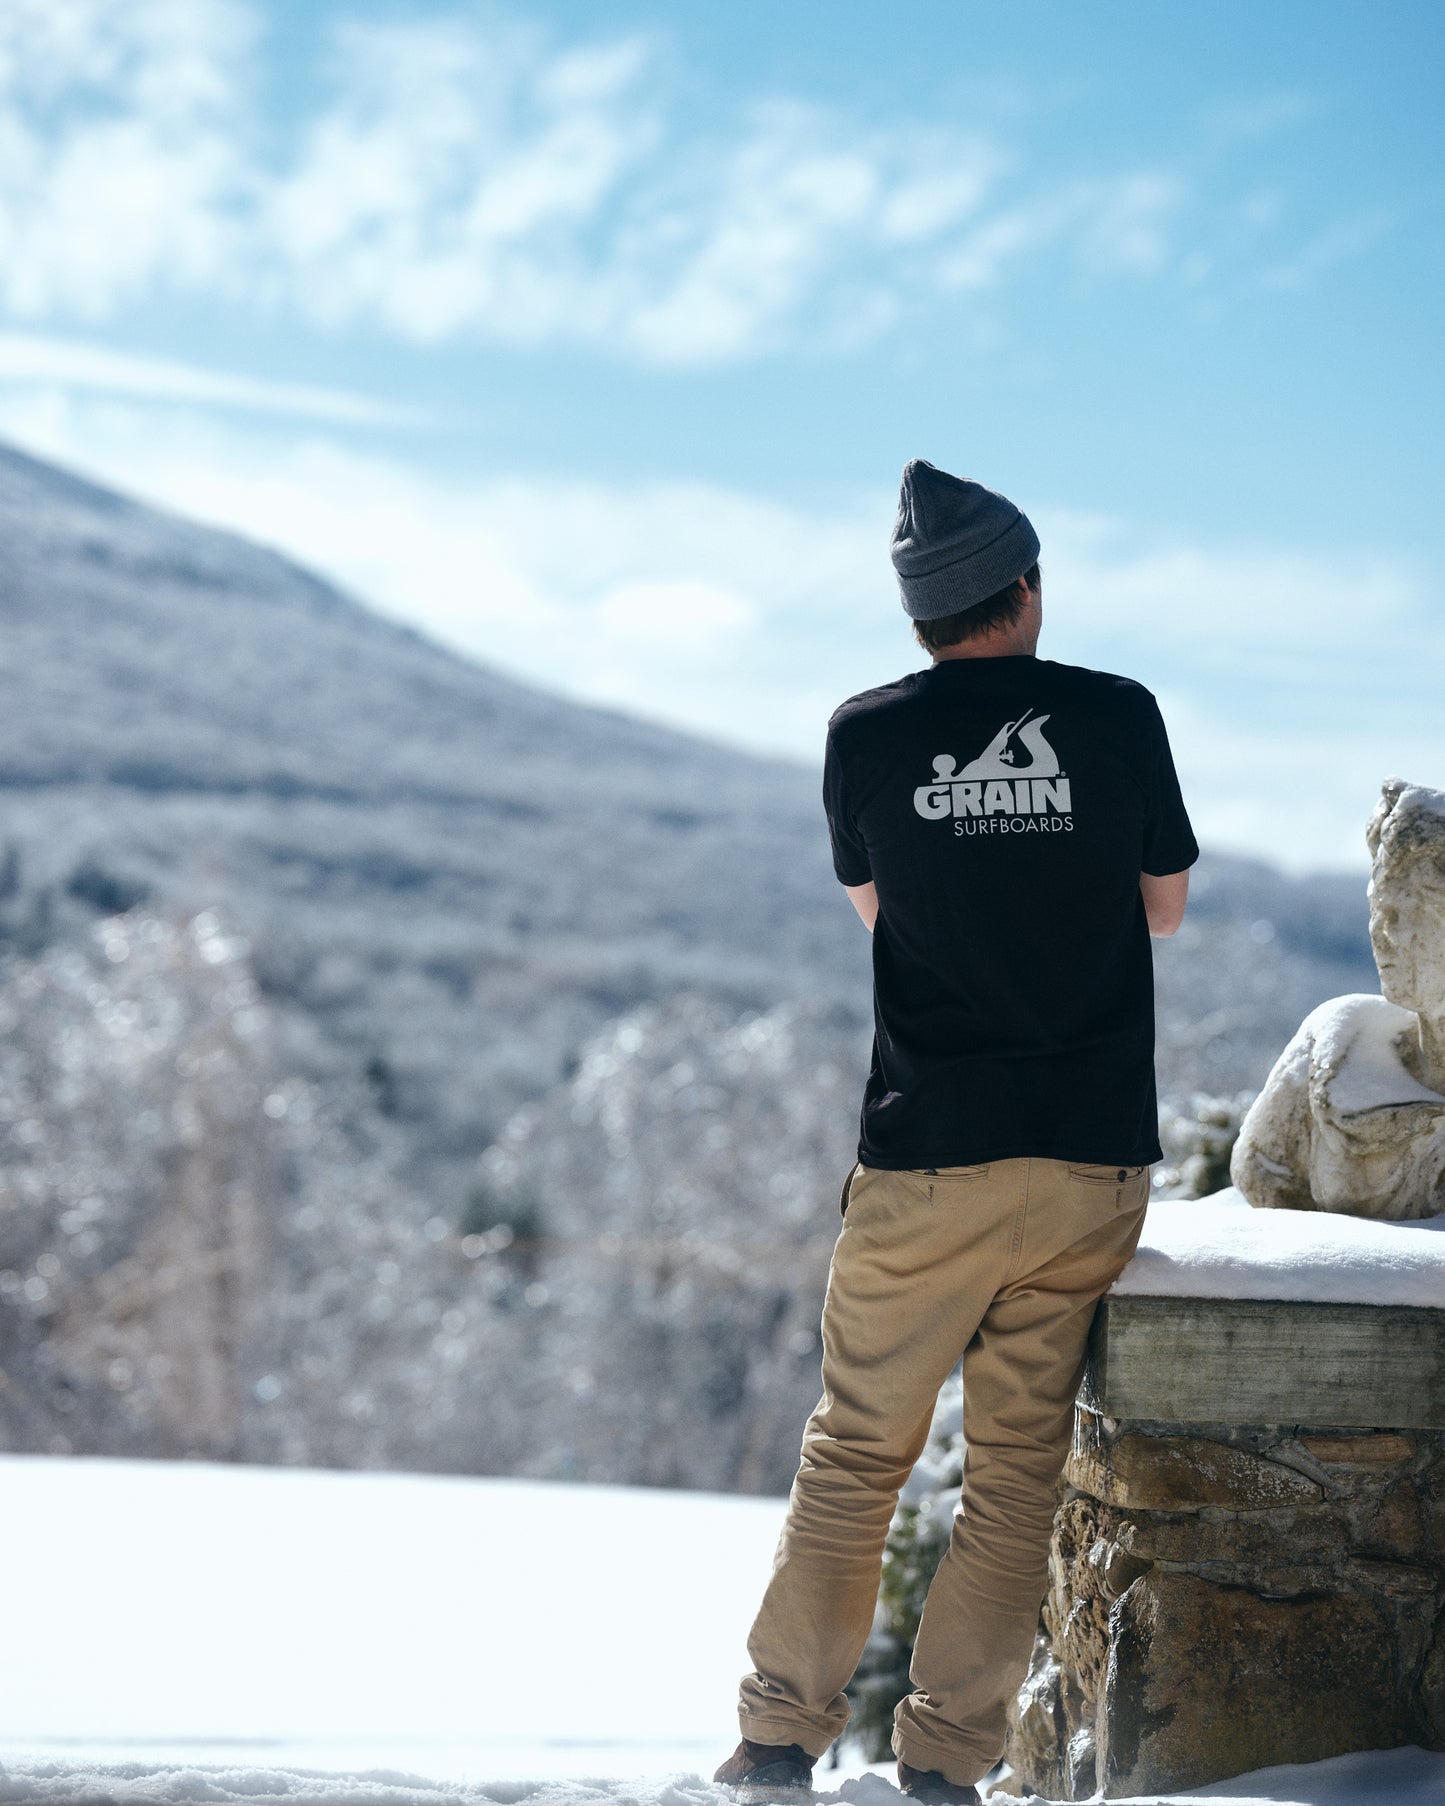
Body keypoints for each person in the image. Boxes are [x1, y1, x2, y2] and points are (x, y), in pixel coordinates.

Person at [714, 459, 1198, 1804]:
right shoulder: (1114, 718)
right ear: (1025, 589)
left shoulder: (863, 734)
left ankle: (773, 1745)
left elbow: (884, 916)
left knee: (858, 1447)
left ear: (920, 616)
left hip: (928, 1157)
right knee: (1012, 1474)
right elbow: (1160, 909)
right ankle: (940, 1767)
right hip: (1086, 1160)